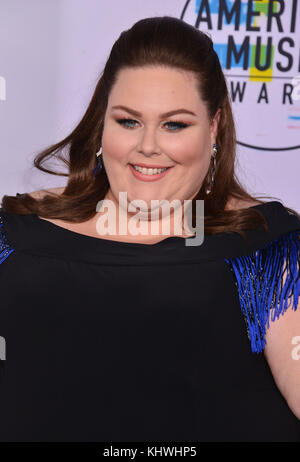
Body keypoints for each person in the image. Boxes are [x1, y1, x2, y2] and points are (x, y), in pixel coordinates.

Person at [0, 16, 299, 442]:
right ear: (103, 122)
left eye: (175, 124)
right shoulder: (14, 235)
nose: (148, 146)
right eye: (128, 121)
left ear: (213, 129)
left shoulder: (269, 251)